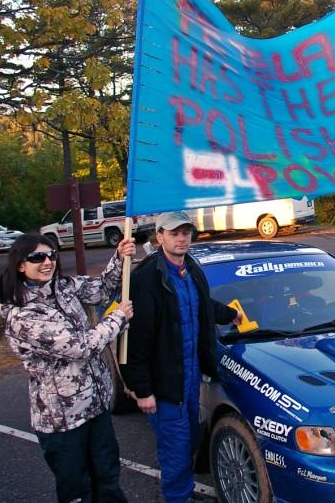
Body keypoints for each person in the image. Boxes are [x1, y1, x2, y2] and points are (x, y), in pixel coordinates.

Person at [0, 233, 135, 503]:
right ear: (20, 265)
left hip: (95, 406)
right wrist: (117, 319)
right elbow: (79, 346)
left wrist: (119, 257)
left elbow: (102, 288)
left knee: (107, 477)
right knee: (78, 490)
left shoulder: (64, 286)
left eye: (51, 255)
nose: (47, 262)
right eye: (37, 257)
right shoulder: (23, 315)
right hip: (62, 421)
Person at [123, 211, 242, 503]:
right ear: (159, 235)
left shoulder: (191, 268)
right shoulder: (147, 278)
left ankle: (183, 493)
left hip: (190, 377)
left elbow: (201, 304)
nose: (181, 238)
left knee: (187, 439)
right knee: (175, 447)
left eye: (186, 232)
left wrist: (230, 314)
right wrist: (142, 390)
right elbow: (135, 340)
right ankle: (178, 497)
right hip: (165, 383)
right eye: (174, 233)